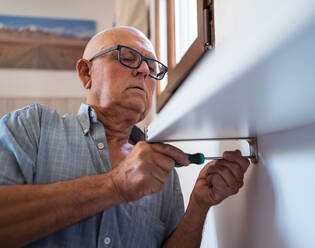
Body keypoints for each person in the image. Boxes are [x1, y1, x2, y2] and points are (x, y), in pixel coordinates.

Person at [0, 27, 250, 247]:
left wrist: (199, 205)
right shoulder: (31, 127)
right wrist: (114, 186)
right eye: (127, 58)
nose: (143, 70)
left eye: (152, 68)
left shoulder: (162, 169)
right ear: (86, 73)